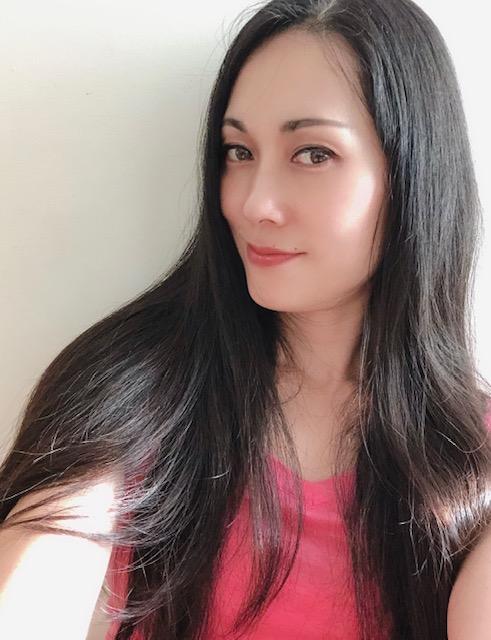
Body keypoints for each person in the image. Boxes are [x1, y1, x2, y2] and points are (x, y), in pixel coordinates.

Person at [1, 0, 491, 639]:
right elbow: (36, 578)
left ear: (413, 176)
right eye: (238, 151)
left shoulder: (470, 455)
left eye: (313, 153)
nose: (254, 203)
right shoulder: (142, 388)